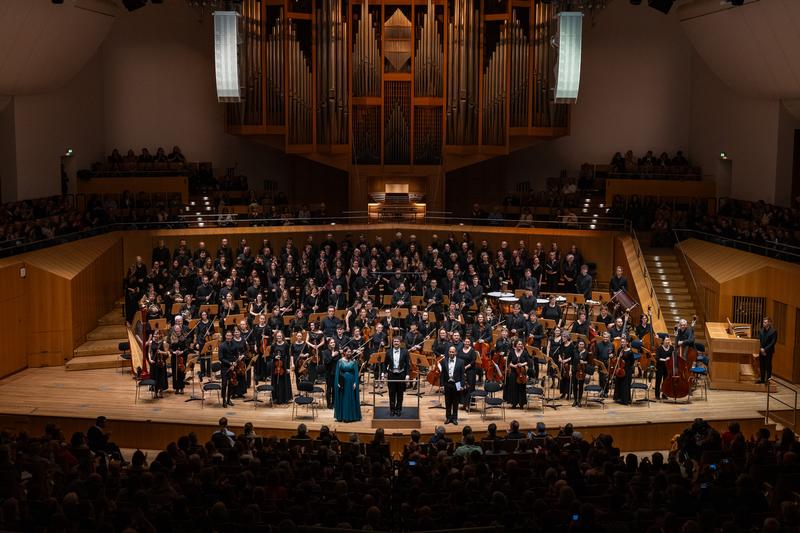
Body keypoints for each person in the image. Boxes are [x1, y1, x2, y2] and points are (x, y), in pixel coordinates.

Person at [383, 337, 410, 416]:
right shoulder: (388, 351)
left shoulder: (405, 352)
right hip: (391, 374)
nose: (396, 343)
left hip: (401, 374)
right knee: (391, 393)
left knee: (400, 393)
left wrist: (407, 374)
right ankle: (392, 409)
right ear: (392, 343)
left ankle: (398, 409)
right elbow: (385, 363)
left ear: (400, 343)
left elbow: (407, 364)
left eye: (397, 341)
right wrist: (385, 372)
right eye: (394, 341)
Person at [334, 347, 361, 422]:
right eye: (348, 352)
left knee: (350, 399)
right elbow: (337, 373)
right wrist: (337, 382)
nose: (349, 353)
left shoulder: (354, 361)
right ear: (344, 352)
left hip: (351, 383)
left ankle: (351, 416)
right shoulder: (340, 361)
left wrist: (355, 382)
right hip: (343, 382)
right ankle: (343, 416)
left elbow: (356, 373)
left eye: (350, 352)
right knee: (344, 399)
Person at [440, 346, 465, 425]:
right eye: (450, 352)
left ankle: (454, 418)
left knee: (455, 402)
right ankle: (448, 417)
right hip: (447, 384)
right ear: (448, 352)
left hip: (457, 384)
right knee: (448, 402)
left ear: (456, 353)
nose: (451, 353)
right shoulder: (444, 361)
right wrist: (441, 385)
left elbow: (462, 375)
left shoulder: (461, 362)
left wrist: (461, 385)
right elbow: (442, 374)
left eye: (453, 352)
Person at [504, 340, 529, 409]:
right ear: (515, 345)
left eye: (521, 344)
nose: (520, 345)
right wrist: (514, 366)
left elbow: (528, 362)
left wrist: (522, 364)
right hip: (513, 372)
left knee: (521, 388)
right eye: (519, 344)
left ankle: (521, 404)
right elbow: (508, 362)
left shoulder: (524, 352)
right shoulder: (512, 352)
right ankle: (514, 403)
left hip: (522, 372)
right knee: (513, 387)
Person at [271, 331, 293, 404]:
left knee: (284, 381)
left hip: (284, 365)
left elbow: (288, 356)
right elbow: (270, 355)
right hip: (276, 365)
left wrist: (288, 368)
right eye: (277, 336)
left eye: (280, 336)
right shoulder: (273, 345)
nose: (279, 337)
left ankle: (285, 398)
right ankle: (276, 398)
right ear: (276, 337)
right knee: (275, 381)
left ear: (282, 337)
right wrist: (275, 356)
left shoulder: (286, 345)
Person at [146, 329, 168, 398]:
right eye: (154, 334)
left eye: (157, 334)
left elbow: (166, 353)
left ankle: (161, 391)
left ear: (160, 335)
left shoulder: (163, 343)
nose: (155, 336)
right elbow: (149, 352)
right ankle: (155, 391)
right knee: (154, 376)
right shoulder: (151, 342)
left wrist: (161, 352)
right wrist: (150, 359)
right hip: (154, 361)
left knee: (161, 376)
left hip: (161, 362)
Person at [219, 331, 238, 407]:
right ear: (225, 336)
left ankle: (228, 400)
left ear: (232, 336)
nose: (228, 337)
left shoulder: (234, 344)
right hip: (224, 367)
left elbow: (236, 355)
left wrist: (235, 362)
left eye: (230, 336)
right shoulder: (222, 345)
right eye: (227, 335)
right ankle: (224, 401)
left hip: (232, 367)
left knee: (231, 384)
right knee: (224, 385)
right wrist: (230, 363)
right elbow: (221, 358)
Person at [758, 317, 777, 383]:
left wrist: (765, 349)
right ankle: (762, 380)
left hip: (768, 351)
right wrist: (761, 349)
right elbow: (759, 341)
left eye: (765, 322)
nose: (763, 323)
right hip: (761, 350)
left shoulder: (773, 331)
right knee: (762, 365)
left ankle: (768, 380)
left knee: (768, 365)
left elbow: (773, 342)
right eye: (763, 322)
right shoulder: (761, 330)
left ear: (769, 323)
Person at [655, 335, 674, 399]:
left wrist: (670, 359)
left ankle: (664, 394)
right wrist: (665, 360)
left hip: (667, 367)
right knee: (658, 381)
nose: (668, 341)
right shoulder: (659, 348)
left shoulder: (671, 348)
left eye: (668, 340)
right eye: (666, 340)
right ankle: (657, 395)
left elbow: (673, 357)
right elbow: (657, 358)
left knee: (666, 381)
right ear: (663, 341)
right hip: (660, 366)